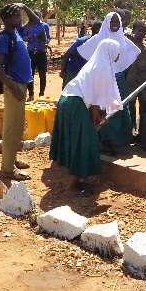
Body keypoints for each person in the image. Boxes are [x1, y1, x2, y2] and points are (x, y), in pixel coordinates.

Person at [50, 39, 122, 190]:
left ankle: (74, 176)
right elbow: (97, 97)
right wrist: (99, 116)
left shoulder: (94, 63)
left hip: (66, 100)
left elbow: (93, 94)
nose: (118, 55)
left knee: (74, 137)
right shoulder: (103, 67)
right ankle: (78, 181)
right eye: (117, 51)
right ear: (110, 51)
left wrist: (96, 115)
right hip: (75, 104)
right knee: (85, 141)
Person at [78, 12, 140, 151]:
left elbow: (132, 53)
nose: (114, 25)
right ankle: (104, 140)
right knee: (102, 109)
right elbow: (85, 54)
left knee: (120, 108)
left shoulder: (122, 39)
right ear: (106, 22)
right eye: (112, 22)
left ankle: (120, 139)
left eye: (117, 22)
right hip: (101, 78)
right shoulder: (97, 39)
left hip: (118, 78)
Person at [0, 3, 39, 181]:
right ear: (7, 19)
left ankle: (12, 160)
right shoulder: (5, 38)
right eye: (16, 16)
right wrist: (13, 88)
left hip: (21, 85)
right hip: (15, 87)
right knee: (12, 128)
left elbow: (35, 20)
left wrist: (25, 7)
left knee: (18, 127)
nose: (20, 19)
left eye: (20, 16)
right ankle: (7, 169)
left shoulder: (17, 33)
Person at [125, 21, 146, 133]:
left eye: (144, 31)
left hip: (144, 81)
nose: (142, 33)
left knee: (145, 106)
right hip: (131, 80)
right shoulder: (128, 45)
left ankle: (143, 133)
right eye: (139, 30)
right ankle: (131, 129)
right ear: (133, 31)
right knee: (131, 106)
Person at [21, 11, 50, 101]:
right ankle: (31, 94)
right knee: (30, 74)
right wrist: (29, 37)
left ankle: (41, 94)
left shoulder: (45, 26)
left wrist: (45, 41)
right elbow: (23, 37)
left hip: (41, 53)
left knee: (43, 75)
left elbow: (48, 38)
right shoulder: (27, 26)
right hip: (30, 52)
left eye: (37, 16)